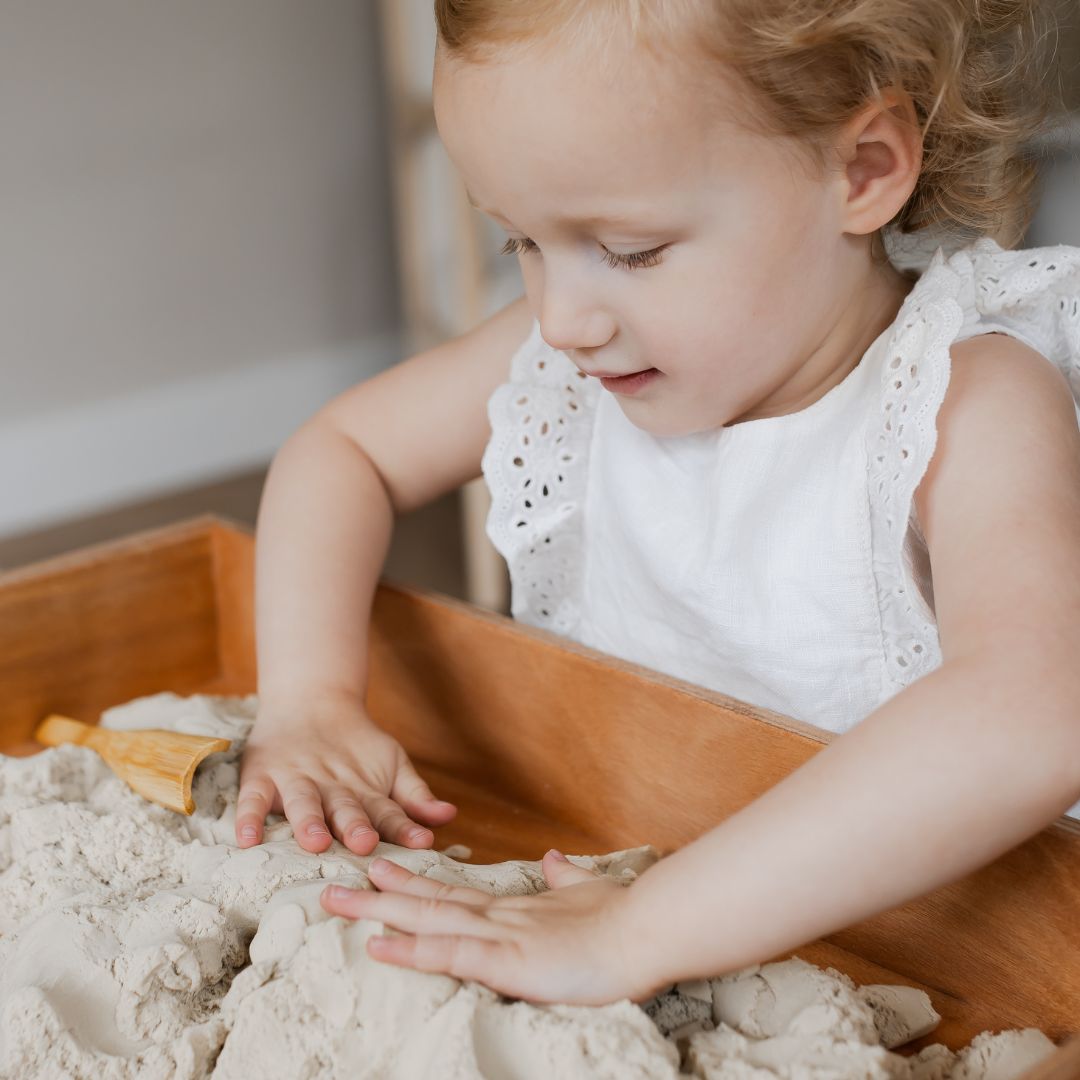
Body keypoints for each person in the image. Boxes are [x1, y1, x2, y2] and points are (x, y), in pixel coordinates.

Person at [238, 0, 1080, 1005]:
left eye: (631, 251)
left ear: (861, 171)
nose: (563, 317)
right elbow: (342, 452)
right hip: (631, 842)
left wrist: (640, 930)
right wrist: (309, 697)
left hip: (952, 952)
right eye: (522, 243)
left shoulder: (966, 400)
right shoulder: (570, 355)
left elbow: (1038, 710)